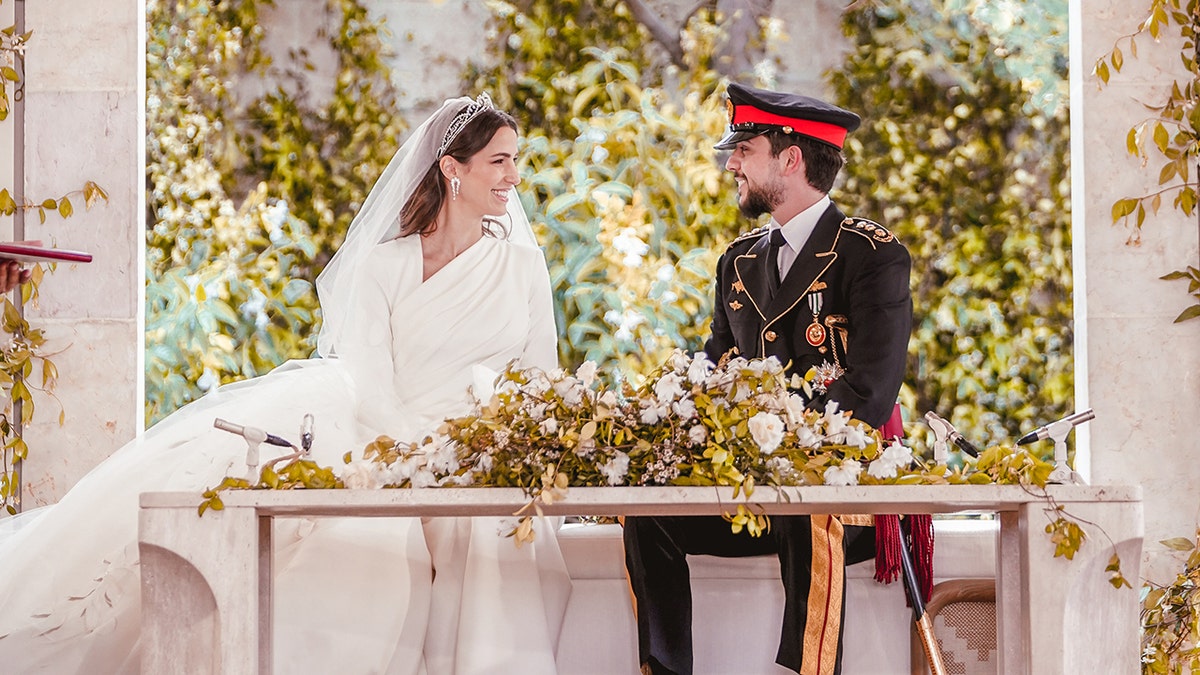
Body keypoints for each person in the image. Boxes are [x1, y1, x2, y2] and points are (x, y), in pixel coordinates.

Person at [0, 93, 571, 674]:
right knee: (360, 546)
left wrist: (488, 452)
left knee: (487, 530)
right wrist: (421, 464)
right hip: (390, 443)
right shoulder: (385, 267)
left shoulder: (525, 267)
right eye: (500, 161)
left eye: (515, 161)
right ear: (453, 167)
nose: (514, 177)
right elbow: (371, 381)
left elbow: (540, 380)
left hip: (481, 458)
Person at [622, 82, 913, 675]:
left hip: (844, 490)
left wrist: (784, 451)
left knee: (808, 504)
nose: (732, 163)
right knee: (646, 509)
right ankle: (665, 669)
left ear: (790, 158)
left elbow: (870, 391)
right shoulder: (739, 260)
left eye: (744, 149)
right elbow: (714, 373)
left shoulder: (871, 255)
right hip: (754, 490)